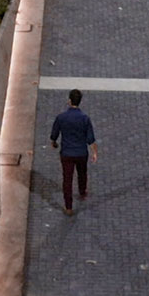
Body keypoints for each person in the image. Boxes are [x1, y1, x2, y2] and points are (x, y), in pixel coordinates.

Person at [47, 88, 97, 216]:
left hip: (67, 153)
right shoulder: (85, 118)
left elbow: (54, 135)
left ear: (69, 101)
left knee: (67, 179)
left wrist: (54, 143)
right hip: (81, 152)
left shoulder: (61, 117)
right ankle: (82, 191)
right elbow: (90, 138)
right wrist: (95, 152)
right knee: (82, 173)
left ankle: (68, 207)